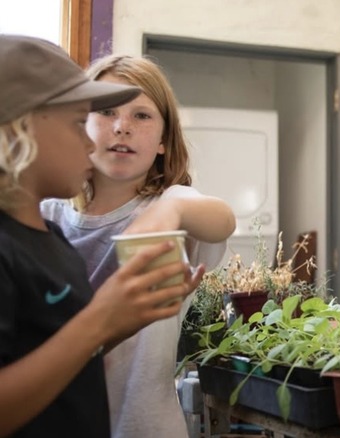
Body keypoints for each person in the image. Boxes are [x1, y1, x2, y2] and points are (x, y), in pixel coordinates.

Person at [0, 34, 204, 437]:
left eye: (141, 116)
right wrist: (99, 323)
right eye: (82, 121)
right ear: (21, 130)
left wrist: (114, 326)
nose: (100, 136)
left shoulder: (52, 240)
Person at [41, 54, 236, 437]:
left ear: (164, 141)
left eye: (141, 116)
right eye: (107, 111)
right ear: (82, 125)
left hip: (143, 426)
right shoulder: (46, 213)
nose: (122, 127)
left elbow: (222, 220)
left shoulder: (174, 204)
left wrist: (173, 209)